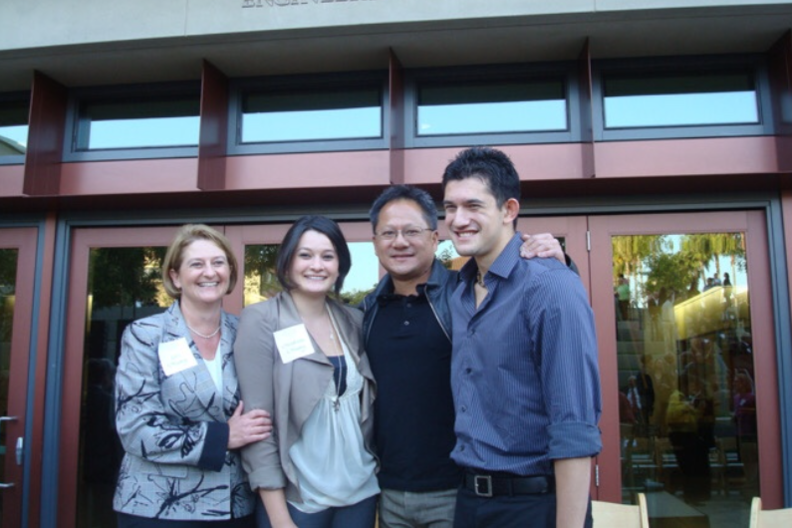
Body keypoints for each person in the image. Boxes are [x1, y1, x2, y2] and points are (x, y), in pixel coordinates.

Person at [361, 185, 568, 528]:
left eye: (412, 231)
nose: (399, 242)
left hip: (458, 491)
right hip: (388, 491)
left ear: (434, 238)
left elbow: (528, 300)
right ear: (374, 242)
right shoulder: (365, 312)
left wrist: (562, 264)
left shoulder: (469, 293)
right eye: (388, 233)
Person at [441, 147, 602, 528]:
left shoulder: (549, 285)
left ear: (509, 210)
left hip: (533, 506)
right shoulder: (459, 292)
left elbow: (574, 426)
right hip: (469, 503)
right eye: (449, 207)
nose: (458, 220)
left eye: (473, 206)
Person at [113, 224, 273, 527]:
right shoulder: (146, 335)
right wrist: (223, 437)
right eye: (197, 264)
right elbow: (135, 429)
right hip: (158, 507)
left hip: (234, 505)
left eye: (218, 262)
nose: (209, 272)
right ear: (175, 276)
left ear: (230, 272)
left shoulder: (246, 332)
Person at [234, 215, 380, 528]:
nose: (317, 265)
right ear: (287, 263)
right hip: (297, 500)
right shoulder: (262, 320)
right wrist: (279, 518)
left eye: (328, 256)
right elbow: (257, 427)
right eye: (305, 255)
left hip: (360, 494)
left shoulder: (353, 321)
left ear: (340, 266)